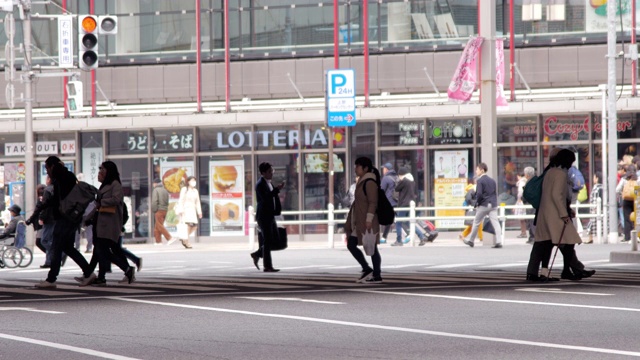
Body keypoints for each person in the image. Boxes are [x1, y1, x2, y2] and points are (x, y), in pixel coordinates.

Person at [530, 148, 596, 281]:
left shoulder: (549, 172)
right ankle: (568, 270)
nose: (572, 164)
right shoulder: (561, 174)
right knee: (568, 241)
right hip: (556, 215)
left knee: (547, 244)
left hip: (546, 213)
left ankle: (547, 272)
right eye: (571, 161)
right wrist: (564, 213)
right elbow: (557, 195)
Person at [31, 156, 95, 289]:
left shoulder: (60, 179)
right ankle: (88, 272)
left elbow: (56, 200)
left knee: (56, 247)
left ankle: (51, 279)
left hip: (64, 218)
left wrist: (38, 211)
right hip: (72, 218)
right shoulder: (68, 176)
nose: (47, 171)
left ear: (52, 166)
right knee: (67, 247)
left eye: (47, 168)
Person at [86, 161, 136, 286]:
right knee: (100, 250)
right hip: (101, 221)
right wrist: (87, 217)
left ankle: (126, 269)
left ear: (109, 170)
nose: (101, 171)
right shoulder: (104, 185)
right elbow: (97, 205)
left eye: (103, 169)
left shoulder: (115, 184)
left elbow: (116, 199)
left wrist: (102, 201)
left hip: (110, 222)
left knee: (103, 250)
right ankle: (100, 276)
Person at [345, 157, 383, 284]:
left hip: (368, 221)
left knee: (372, 247)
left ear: (365, 168)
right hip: (360, 221)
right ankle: (367, 269)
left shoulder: (369, 182)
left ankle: (376, 274)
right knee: (352, 244)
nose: (355, 169)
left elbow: (373, 202)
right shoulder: (362, 181)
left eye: (357, 166)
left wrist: (369, 219)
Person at [250, 162, 284, 272]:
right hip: (264, 215)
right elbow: (266, 198)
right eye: (269, 171)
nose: (272, 173)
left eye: (272, 171)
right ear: (263, 173)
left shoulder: (268, 183)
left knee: (273, 240)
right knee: (268, 241)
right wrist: (277, 190)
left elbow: (273, 197)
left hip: (270, 214)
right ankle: (267, 266)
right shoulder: (260, 184)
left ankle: (257, 254)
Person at [463, 163, 503, 248]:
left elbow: (480, 194)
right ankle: (499, 241)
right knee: (496, 223)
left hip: (484, 204)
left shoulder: (480, 181)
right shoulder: (492, 180)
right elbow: (494, 193)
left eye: (477, 169)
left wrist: (477, 203)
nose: (476, 171)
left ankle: (471, 240)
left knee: (476, 222)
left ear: (482, 170)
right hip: (493, 204)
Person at [393, 167, 429, 246]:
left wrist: (398, 181)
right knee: (410, 222)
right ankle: (422, 237)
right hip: (410, 205)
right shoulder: (412, 181)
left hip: (404, 205)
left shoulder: (404, 181)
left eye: (399, 175)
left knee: (398, 223)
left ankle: (399, 240)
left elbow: (396, 188)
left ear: (401, 175)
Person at [176, 175, 202, 249]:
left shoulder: (195, 191)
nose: (193, 182)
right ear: (188, 182)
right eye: (192, 180)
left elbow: (197, 202)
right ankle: (187, 242)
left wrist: (199, 212)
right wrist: (180, 209)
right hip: (185, 210)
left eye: (194, 180)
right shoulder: (184, 189)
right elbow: (181, 200)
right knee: (187, 226)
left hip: (193, 210)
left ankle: (184, 237)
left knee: (194, 226)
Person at [616, 164, 637, 243]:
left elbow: (617, 189)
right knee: (636, 218)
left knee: (627, 218)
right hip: (636, 200)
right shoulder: (637, 179)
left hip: (626, 201)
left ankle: (627, 237)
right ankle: (637, 235)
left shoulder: (624, 179)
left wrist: (622, 193)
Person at [151, 177, 173, 245]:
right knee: (157, 226)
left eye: (153, 183)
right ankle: (158, 241)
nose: (153, 185)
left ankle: (169, 238)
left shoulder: (156, 190)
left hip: (159, 210)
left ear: (155, 183)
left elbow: (154, 201)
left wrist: (154, 209)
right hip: (165, 209)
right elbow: (167, 201)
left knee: (159, 225)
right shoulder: (165, 190)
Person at [380, 163, 398, 242]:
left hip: (389, 202)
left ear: (386, 169)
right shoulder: (396, 177)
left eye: (383, 169)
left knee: (395, 220)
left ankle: (408, 235)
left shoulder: (386, 178)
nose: (383, 170)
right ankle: (384, 237)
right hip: (396, 201)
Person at [584, 171, 603, 244]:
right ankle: (590, 238)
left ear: (597, 178)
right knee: (592, 224)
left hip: (596, 209)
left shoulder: (597, 188)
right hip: (597, 209)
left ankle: (590, 238)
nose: (593, 179)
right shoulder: (602, 187)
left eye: (594, 177)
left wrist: (595, 208)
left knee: (591, 224)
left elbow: (596, 198)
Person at [515, 173, 528, 238]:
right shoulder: (526, 181)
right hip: (524, 201)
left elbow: (520, 193)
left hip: (521, 202)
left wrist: (518, 200)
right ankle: (523, 232)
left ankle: (523, 232)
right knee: (523, 218)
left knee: (521, 218)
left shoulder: (521, 182)